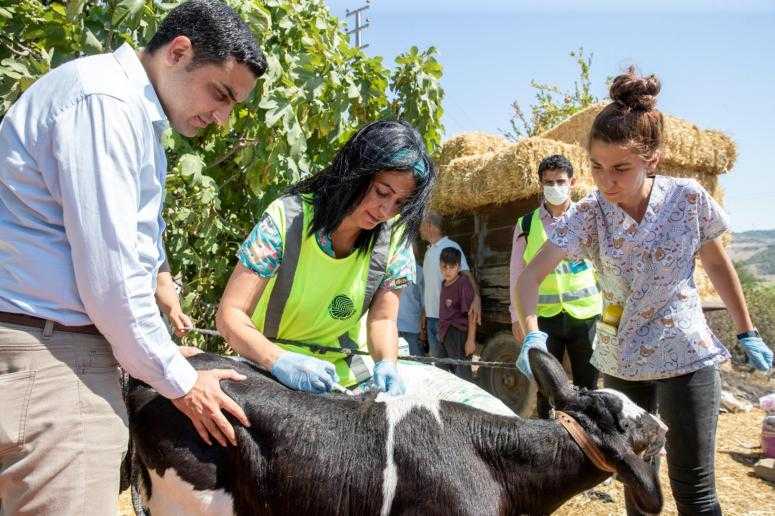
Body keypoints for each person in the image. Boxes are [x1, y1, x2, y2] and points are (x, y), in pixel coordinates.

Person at [0, 1, 266, 512]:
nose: (222, 117)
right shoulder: (107, 104)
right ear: (178, 51)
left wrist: (158, 294)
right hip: (55, 363)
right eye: (221, 93)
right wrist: (179, 380)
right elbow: (111, 282)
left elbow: (135, 233)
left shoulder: (129, 110)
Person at [515, 67, 773, 515]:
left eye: (620, 168)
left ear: (652, 159)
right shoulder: (590, 213)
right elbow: (529, 277)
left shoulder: (687, 199)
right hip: (623, 360)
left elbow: (715, 261)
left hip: (685, 354)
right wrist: (532, 332)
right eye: (596, 167)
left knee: (695, 491)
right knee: (639, 485)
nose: (605, 180)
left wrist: (746, 329)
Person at [216, 120, 435, 395]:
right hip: (269, 368)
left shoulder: (394, 239)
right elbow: (230, 315)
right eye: (382, 192)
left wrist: (387, 363)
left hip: (343, 376)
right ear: (357, 171)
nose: (385, 210)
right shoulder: (287, 220)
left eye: (400, 204)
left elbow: (383, 320)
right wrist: (279, 360)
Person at [509, 154, 603, 418]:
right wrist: (517, 316)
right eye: (548, 182)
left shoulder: (587, 219)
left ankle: (589, 440)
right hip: (544, 319)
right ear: (540, 184)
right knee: (546, 386)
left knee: (588, 385)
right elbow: (517, 272)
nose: (555, 187)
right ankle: (550, 439)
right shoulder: (526, 224)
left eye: (560, 181)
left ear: (572, 182)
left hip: (586, 316)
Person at [420, 211, 481, 360]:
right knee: (440, 367)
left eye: (421, 226)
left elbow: (465, 274)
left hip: (450, 320)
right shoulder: (429, 252)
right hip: (432, 319)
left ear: (429, 226)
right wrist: (424, 312)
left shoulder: (450, 246)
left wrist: (477, 298)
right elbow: (429, 287)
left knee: (457, 365)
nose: (419, 230)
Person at [438, 247, 476, 380]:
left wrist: (470, 340)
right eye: (444, 266)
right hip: (446, 334)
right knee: (450, 375)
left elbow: (471, 314)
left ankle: (467, 400)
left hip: (458, 334)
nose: (447, 271)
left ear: (459, 267)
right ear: (440, 266)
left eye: (452, 267)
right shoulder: (444, 283)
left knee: (463, 374)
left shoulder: (463, 283)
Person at [397, 242, 425, 357]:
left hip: (412, 328)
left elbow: (424, 302)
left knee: (416, 363)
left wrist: (423, 329)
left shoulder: (419, 271)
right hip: (395, 326)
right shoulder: (393, 271)